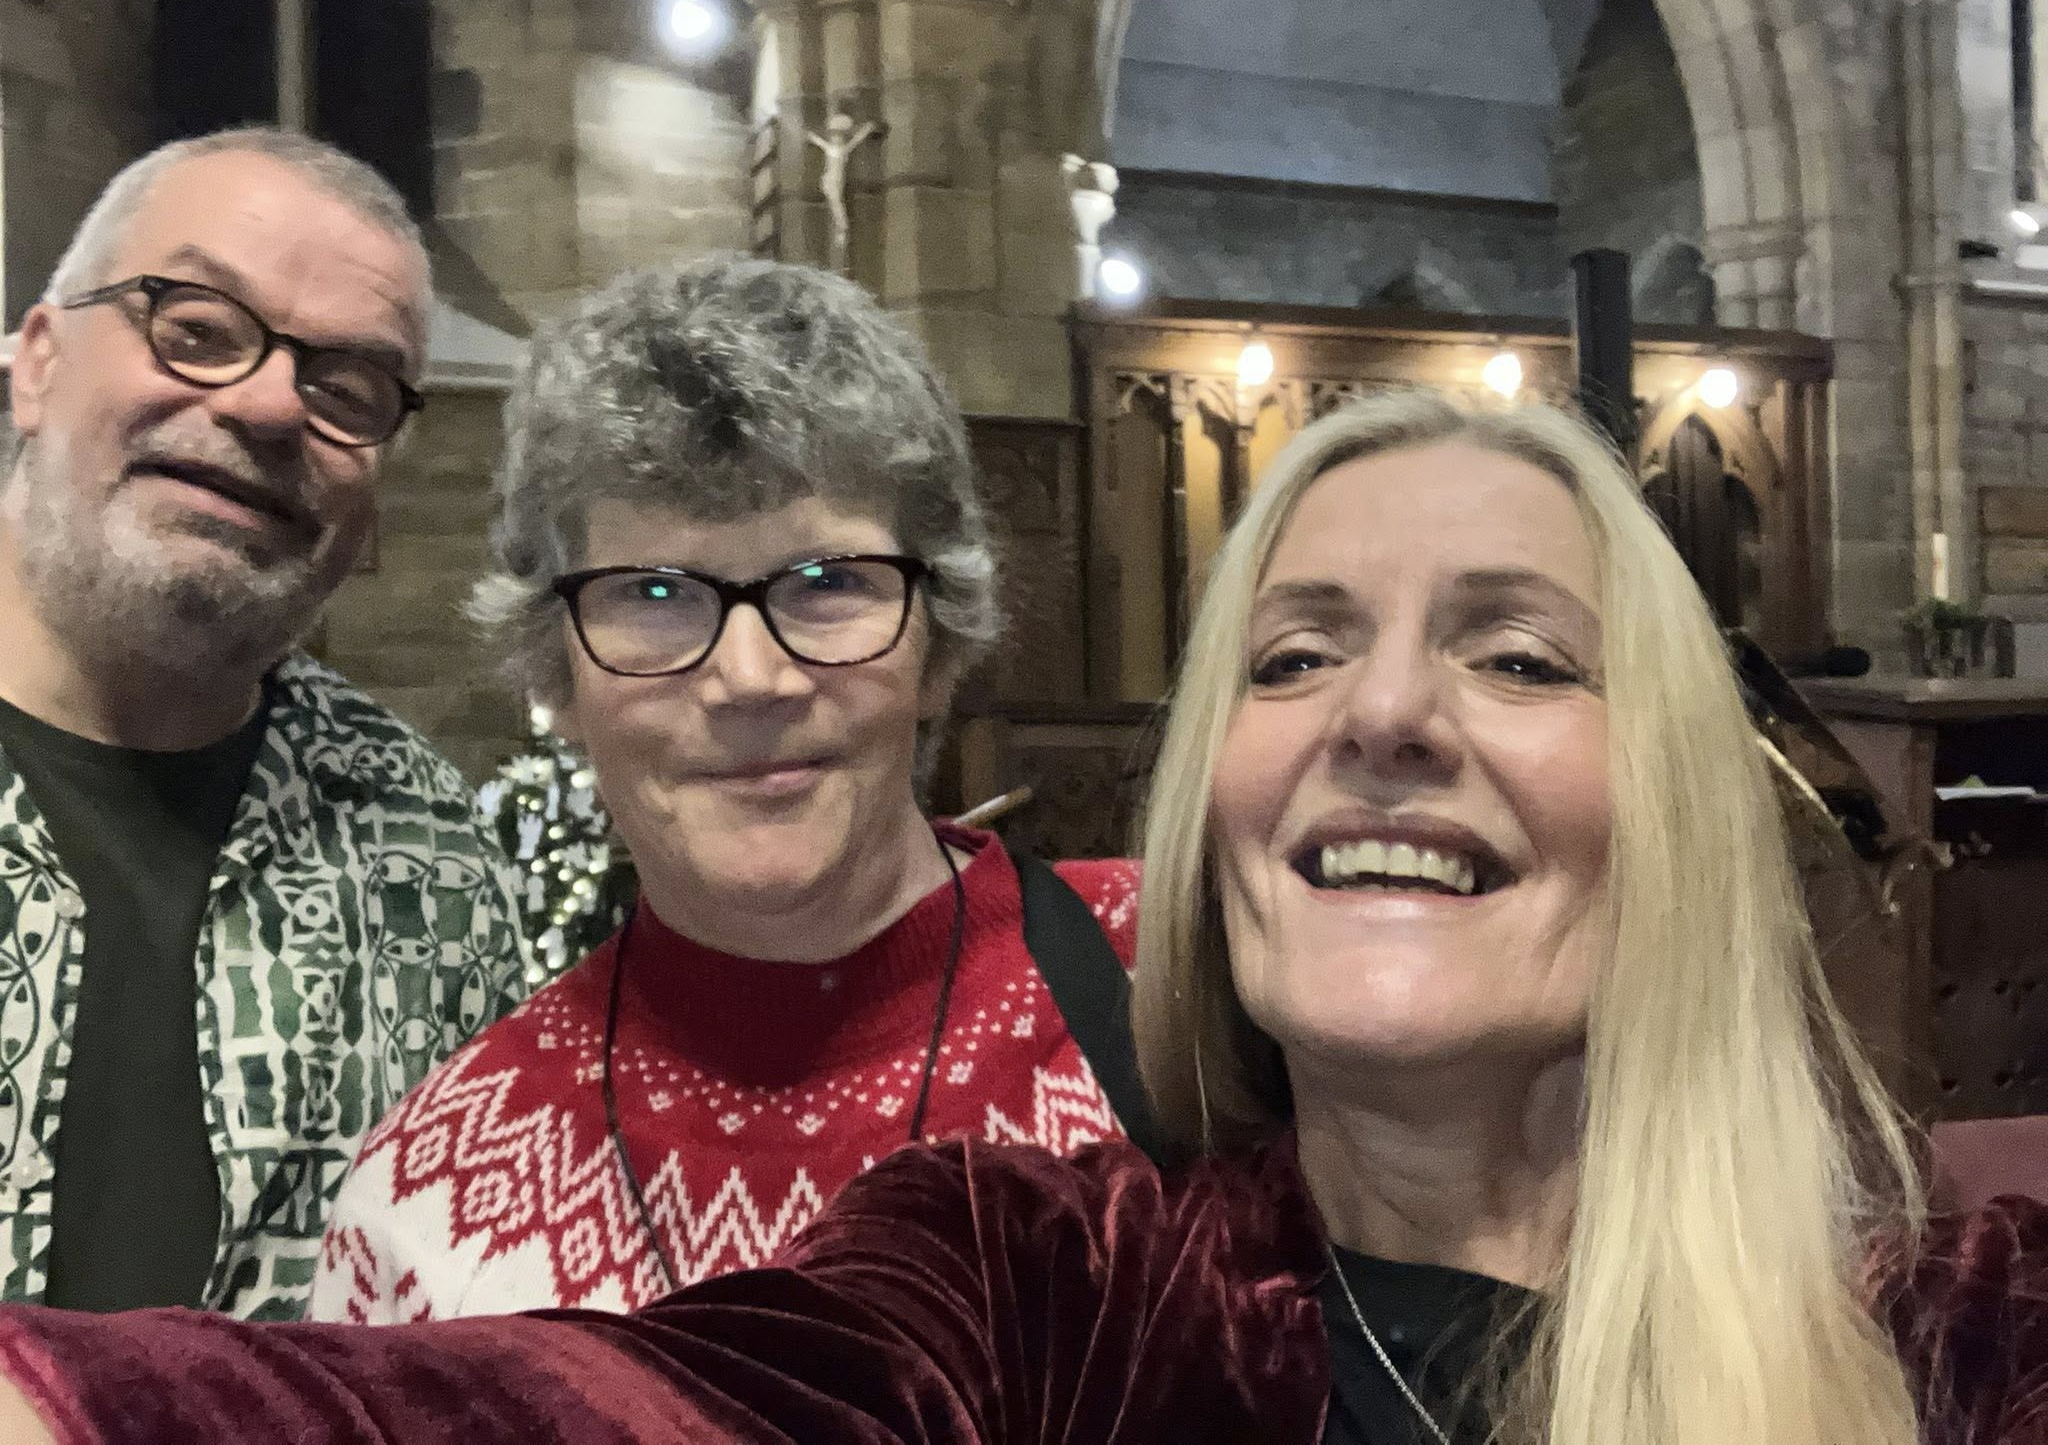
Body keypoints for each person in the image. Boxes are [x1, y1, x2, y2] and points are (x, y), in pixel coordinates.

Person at [2, 388, 2041, 1445]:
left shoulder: (1961, 1329)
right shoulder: (1046, 1289)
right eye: (1295, 653)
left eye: (1518, 656)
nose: (1386, 716)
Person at [304, 256, 1141, 1321]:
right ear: (556, 676)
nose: (751, 678)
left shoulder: (1189, 993)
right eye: (654, 594)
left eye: (828, 582)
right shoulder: (425, 1201)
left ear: (938, 644)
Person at [0, 128, 524, 1319]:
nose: (269, 402)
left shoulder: (423, 847)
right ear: (37, 362)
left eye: (348, 388)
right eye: (194, 327)